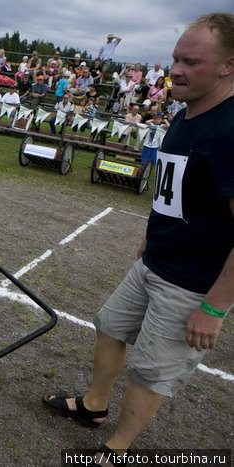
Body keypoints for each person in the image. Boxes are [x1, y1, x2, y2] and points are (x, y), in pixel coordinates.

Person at [43, 12, 234, 464]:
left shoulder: (229, 131)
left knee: (150, 371)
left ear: (229, 66)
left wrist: (215, 306)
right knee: (111, 326)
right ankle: (93, 406)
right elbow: (175, 189)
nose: (177, 70)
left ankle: (117, 450)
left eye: (192, 61)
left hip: (191, 283)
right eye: (174, 59)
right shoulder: (188, 112)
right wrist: (153, 234)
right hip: (157, 261)